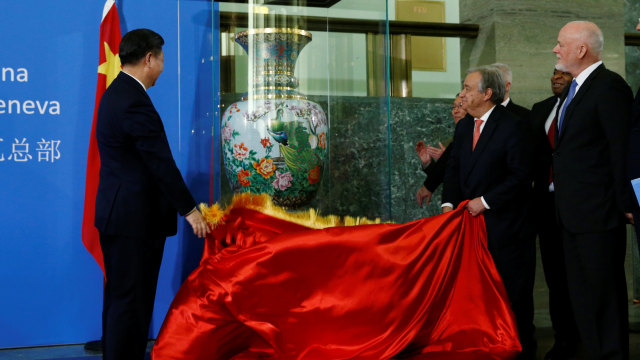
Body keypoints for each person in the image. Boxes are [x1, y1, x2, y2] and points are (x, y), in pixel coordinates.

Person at [95, 28, 210, 360]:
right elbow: (159, 162)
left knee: (121, 299)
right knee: (132, 302)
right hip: (135, 220)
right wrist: (189, 209)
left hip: (120, 216)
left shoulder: (117, 93)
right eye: (161, 59)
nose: (162, 67)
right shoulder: (133, 101)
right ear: (149, 59)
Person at [552, 21, 633, 359]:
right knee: (583, 299)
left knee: (604, 298)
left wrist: (627, 203)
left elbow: (620, 150)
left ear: (581, 50)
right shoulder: (575, 89)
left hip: (599, 214)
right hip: (571, 214)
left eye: (559, 44)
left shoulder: (609, 87)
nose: (555, 49)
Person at [441, 66, 534, 359]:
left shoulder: (513, 125)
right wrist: (447, 206)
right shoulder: (464, 126)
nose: (462, 94)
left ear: (487, 93)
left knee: (512, 298)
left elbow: (521, 176)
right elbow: (454, 170)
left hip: (506, 229)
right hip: (468, 228)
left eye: (468, 89)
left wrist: (486, 201)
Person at [529, 68, 579, 359]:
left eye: (563, 74)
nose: (555, 78)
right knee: (555, 278)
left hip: (577, 203)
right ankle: (564, 340)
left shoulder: (581, 107)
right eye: (553, 74)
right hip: (545, 206)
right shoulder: (541, 109)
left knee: (580, 276)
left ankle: (586, 337)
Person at [415, 95, 466, 207]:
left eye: (460, 106)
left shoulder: (471, 136)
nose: (455, 111)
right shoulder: (450, 140)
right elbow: (445, 175)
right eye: (454, 107)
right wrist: (428, 162)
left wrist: (428, 186)